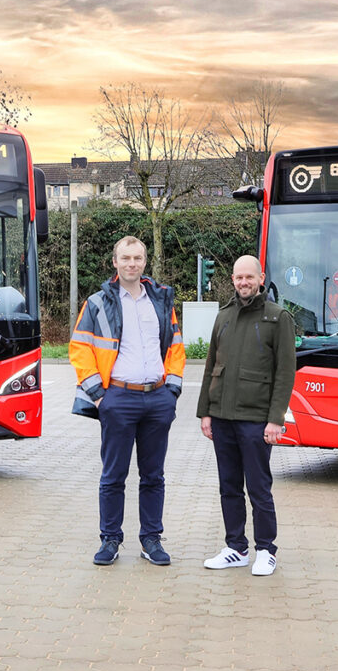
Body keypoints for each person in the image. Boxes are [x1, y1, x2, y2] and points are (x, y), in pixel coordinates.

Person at [70, 236, 185, 566]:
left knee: (153, 476)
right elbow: (79, 348)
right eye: (125, 258)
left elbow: (176, 347)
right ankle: (110, 539)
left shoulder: (161, 301)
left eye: (137, 258)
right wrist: (99, 396)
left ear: (144, 261)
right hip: (117, 398)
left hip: (157, 398)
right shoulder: (97, 303)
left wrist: (172, 391)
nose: (131, 263)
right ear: (115, 262)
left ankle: (151, 539)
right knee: (113, 475)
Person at [197, 255, 296, 576]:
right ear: (233, 279)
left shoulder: (277, 317)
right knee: (229, 485)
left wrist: (276, 418)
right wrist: (205, 413)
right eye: (238, 278)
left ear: (260, 278)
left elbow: (285, 373)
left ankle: (266, 549)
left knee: (258, 487)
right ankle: (236, 548)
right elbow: (211, 365)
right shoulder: (223, 316)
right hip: (222, 416)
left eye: (249, 277)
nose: (243, 283)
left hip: (257, 420)